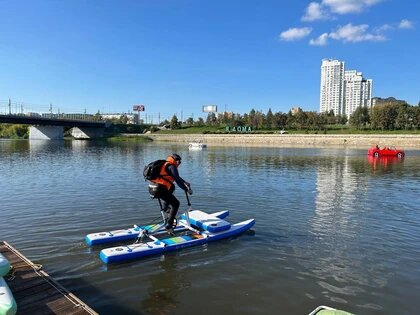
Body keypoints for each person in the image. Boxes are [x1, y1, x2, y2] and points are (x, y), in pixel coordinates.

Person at [148, 153, 192, 234]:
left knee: (171, 187)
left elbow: (176, 177)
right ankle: (169, 225)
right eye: (179, 162)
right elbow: (178, 181)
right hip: (159, 189)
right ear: (176, 161)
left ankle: (166, 209)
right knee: (176, 203)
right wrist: (186, 189)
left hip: (152, 188)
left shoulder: (165, 165)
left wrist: (185, 182)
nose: (179, 164)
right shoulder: (172, 167)